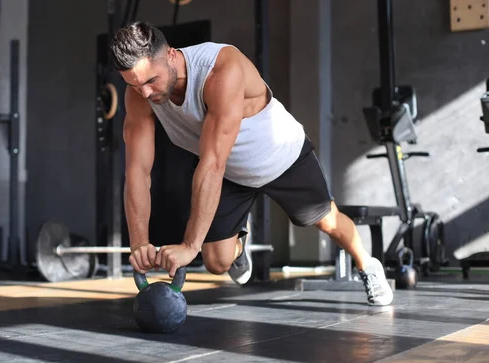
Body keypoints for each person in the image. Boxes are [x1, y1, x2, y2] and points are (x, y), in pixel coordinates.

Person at [110, 21, 393, 306]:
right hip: (231, 172)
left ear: (170, 54)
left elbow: (211, 163)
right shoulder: (139, 95)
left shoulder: (221, 70)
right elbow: (137, 171)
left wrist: (189, 246)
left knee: (327, 221)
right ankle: (238, 245)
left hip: (281, 156)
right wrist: (139, 243)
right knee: (217, 263)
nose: (144, 93)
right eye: (134, 85)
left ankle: (367, 265)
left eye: (150, 81)